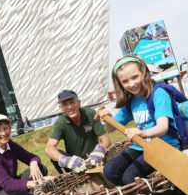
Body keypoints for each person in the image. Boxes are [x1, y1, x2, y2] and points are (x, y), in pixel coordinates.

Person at [99, 55, 180, 186]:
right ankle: (136, 193)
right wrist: (107, 119)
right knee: (109, 171)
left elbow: (162, 127)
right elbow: (111, 129)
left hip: (164, 145)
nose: (131, 84)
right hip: (141, 145)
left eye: (135, 77)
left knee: (129, 177)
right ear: (120, 83)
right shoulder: (132, 101)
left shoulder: (158, 94)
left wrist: (142, 133)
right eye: (125, 81)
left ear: (143, 73)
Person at [45, 90, 110, 174]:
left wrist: (100, 148)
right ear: (61, 108)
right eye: (65, 104)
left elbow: (106, 140)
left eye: (72, 102)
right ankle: (71, 178)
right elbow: (48, 148)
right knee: (56, 155)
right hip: (74, 164)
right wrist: (66, 160)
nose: (69, 107)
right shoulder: (60, 123)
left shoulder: (90, 113)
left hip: (94, 158)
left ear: (79, 103)